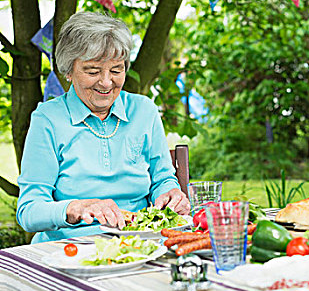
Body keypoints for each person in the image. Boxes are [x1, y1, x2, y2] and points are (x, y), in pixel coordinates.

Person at [17, 12, 190, 243]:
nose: (107, 82)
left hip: (141, 243)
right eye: (93, 71)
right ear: (68, 71)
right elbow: (29, 211)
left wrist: (170, 194)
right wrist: (74, 208)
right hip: (70, 248)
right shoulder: (48, 119)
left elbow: (162, 179)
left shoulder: (144, 111)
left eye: (116, 70)